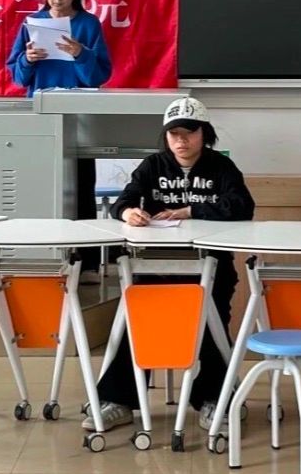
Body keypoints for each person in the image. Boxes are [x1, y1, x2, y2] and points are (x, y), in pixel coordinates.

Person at [84, 96, 255, 434]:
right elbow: (124, 200)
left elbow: (242, 207)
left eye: (189, 133)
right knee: (138, 327)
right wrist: (128, 212)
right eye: (174, 134)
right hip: (156, 267)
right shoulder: (153, 166)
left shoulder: (222, 167)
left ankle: (215, 399)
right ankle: (118, 400)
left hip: (213, 267)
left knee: (211, 331)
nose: (181, 140)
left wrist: (191, 211)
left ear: (204, 134)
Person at [6, 0, 112, 280]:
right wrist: (28, 59)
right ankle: (42, 254)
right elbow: (17, 76)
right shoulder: (32, 23)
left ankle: (87, 262)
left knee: (81, 185)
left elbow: (99, 75)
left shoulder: (89, 25)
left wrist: (81, 53)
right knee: (41, 181)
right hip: (42, 114)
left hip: (80, 115)